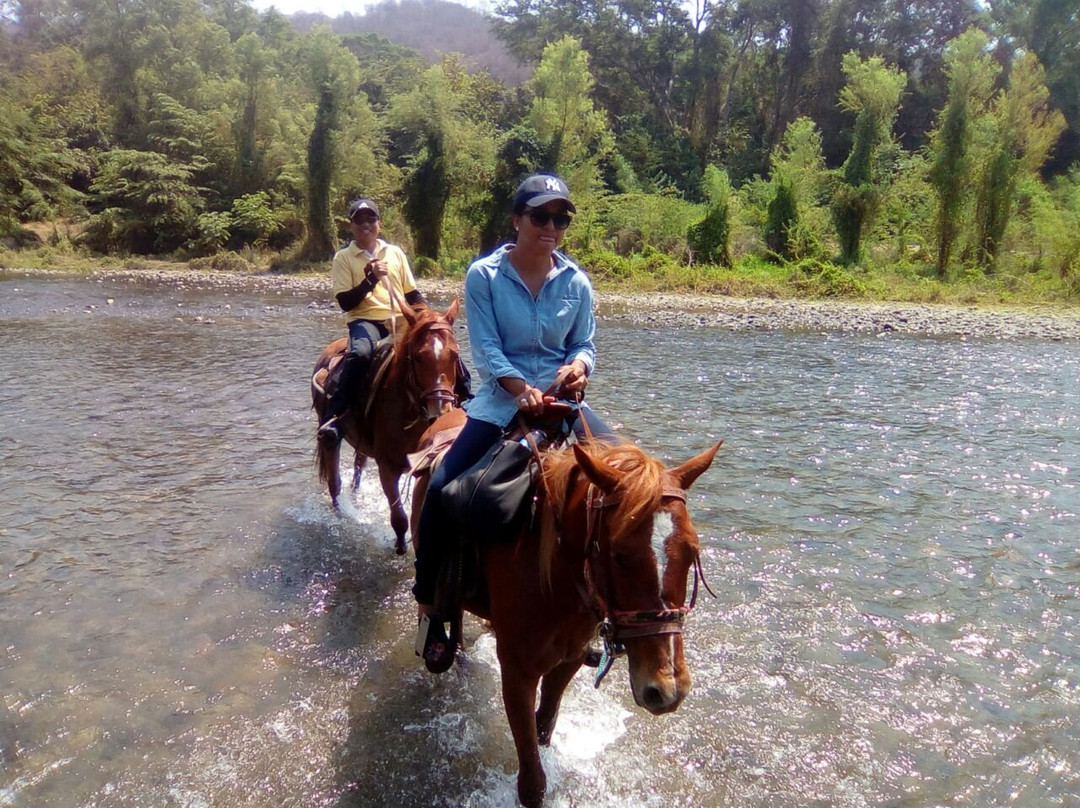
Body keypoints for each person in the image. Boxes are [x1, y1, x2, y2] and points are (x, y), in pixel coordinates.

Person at [413, 173, 616, 673]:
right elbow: (486, 350)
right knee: (440, 489)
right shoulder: (483, 276)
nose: (552, 226)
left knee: (629, 487)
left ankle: (605, 611)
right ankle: (433, 607)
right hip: (500, 405)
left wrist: (580, 367)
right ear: (517, 220)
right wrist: (518, 388)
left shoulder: (577, 281)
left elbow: (584, 343)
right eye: (541, 216)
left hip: (564, 406)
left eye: (561, 218)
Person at [317, 198, 427, 447]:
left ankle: (462, 400)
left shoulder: (395, 252)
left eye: (371, 219)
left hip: (400, 319)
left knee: (438, 348)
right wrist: (370, 280)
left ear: (379, 223)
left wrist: (430, 318)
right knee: (360, 353)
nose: (365, 224)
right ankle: (334, 416)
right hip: (365, 320)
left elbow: (412, 294)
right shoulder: (344, 258)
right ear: (351, 225)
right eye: (359, 220)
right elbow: (346, 302)